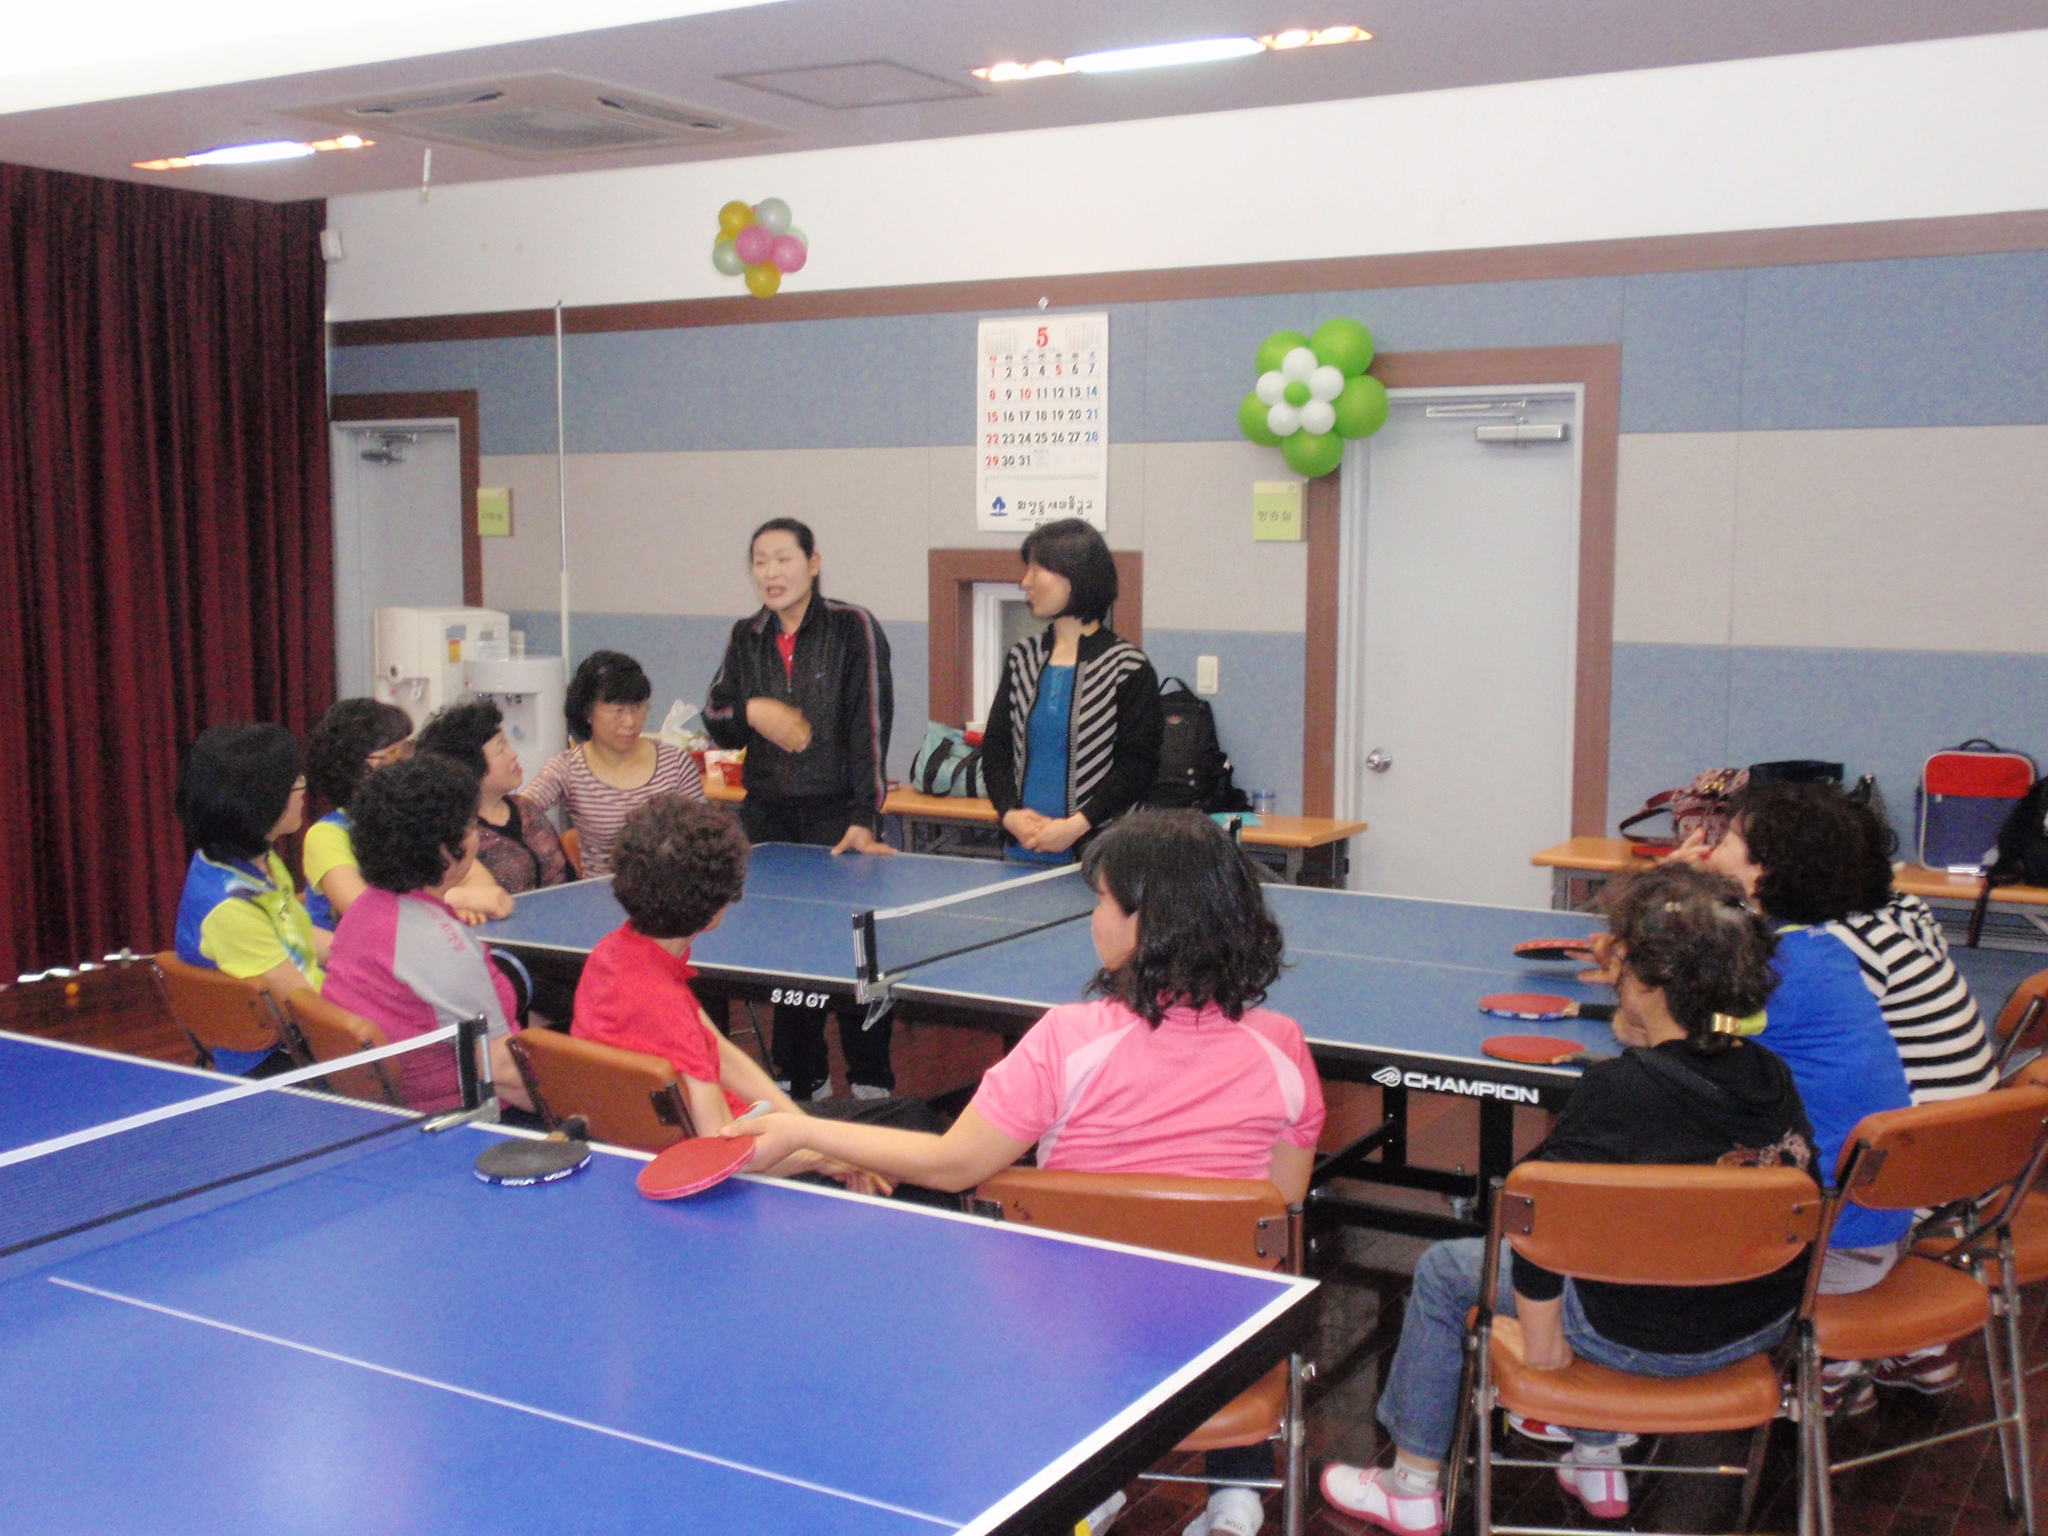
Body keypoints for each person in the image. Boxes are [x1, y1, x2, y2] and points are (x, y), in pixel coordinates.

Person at [728, 810, 1325, 1536]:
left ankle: (1084, 1484)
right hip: (1220, 1339)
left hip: (1071, 1339)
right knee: (1235, 1264)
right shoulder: (1284, 1047)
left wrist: (801, 1128)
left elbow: (952, 1163)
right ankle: (1236, 1499)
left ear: (1147, 924)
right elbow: (1278, 1204)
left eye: (1102, 900)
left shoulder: (1065, 1042)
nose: (1093, 918)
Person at [1320, 864, 1815, 1534]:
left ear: (1649, 983)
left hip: (1630, 1335)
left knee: (1443, 1270)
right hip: (1753, 1329)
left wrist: (1543, 1336)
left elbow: (1534, 1216)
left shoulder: (1620, 1089)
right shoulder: (1771, 1075)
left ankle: (1409, 1487)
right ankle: (1596, 1459)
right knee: (1628, 1242)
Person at [1676, 781, 1942, 1412]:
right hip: (1876, 1224)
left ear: (1762, 873)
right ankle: (1835, 1366)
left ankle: (1644, 1387)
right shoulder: (1816, 949)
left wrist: (1672, 894)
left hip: (1829, 1244)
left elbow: (1672, 1019)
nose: (1711, 847)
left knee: (1653, 1194)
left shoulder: (1779, 973)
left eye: (1728, 839)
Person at [570, 796, 904, 1194]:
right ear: (715, 908)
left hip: (662, 1144)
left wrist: (806, 1132)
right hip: (729, 1171)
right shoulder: (667, 1008)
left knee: (870, 1131)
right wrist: (820, 1159)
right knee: (909, 1122)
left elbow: (723, 1056)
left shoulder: (610, 956)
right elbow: (718, 1158)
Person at [703, 517, 897, 1102]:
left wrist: (865, 817)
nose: (771, 573)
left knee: (861, 960)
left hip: (839, 820)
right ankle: (800, 1078)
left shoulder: (851, 626)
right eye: (760, 562)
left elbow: (870, 724)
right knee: (786, 959)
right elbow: (714, 716)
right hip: (769, 823)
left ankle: (870, 1081)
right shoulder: (746, 636)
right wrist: (753, 710)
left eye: (783, 559)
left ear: (813, 564)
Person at [322, 754, 534, 1114]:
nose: (476, 836)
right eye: (470, 825)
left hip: (394, 1107)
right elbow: (503, 1072)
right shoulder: (441, 943)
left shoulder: (363, 910)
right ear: (445, 848)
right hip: (463, 1117)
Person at [979, 518, 1163, 866]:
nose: (1025, 582)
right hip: (1021, 852)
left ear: (1073, 577)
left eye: (1036, 571)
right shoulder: (1022, 658)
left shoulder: (1127, 666)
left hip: (1101, 860)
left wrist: (1077, 826)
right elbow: (996, 749)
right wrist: (1009, 814)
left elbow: (1138, 766)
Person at [174, 723, 326, 1074]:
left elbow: (298, 936)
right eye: (294, 781)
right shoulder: (230, 907)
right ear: (260, 800)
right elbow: (306, 1006)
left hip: (306, 1033)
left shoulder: (257, 858)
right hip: (279, 1061)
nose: (303, 788)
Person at [1829, 794, 1997, 1102]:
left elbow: (1759, 1028)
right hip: (1969, 1113)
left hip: (1916, 1121)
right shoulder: (1899, 909)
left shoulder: (1847, 943)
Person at [521, 650, 704, 878]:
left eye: (637, 709)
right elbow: (517, 814)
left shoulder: (676, 763)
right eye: (618, 711)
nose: (630, 722)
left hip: (669, 889)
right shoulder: (568, 769)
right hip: (601, 892)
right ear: (588, 712)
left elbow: (704, 837)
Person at [415, 699, 571, 895]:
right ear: (471, 766)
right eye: (500, 749)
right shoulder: (457, 835)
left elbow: (568, 878)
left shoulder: (525, 808)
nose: (513, 754)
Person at [302, 698, 415, 931]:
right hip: (344, 950)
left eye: (408, 748)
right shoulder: (326, 834)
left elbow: (474, 877)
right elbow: (363, 910)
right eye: (394, 753)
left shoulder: (412, 818)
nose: (410, 763)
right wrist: (456, 899)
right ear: (356, 768)